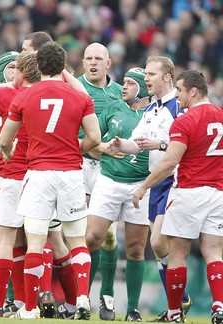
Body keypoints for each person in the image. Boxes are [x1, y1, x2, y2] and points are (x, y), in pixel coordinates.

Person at [0, 41, 101, 320]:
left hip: (39, 173)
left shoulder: (24, 97)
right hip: (70, 173)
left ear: (39, 66)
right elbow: (95, 139)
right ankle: (81, 299)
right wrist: (72, 148)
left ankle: (29, 309)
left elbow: (5, 138)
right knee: (77, 240)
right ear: (63, 66)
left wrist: (8, 152)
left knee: (35, 242)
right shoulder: (80, 97)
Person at [131, 70, 223, 324]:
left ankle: (173, 314)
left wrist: (143, 187)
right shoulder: (221, 116)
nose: (178, 96)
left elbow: (170, 161)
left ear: (193, 91)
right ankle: (219, 306)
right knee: (214, 252)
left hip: (189, 193)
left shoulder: (185, 120)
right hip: (217, 193)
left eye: (180, 91)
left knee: (178, 254)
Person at [107, 56, 191, 321]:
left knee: (159, 242)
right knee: (158, 247)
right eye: (145, 75)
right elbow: (137, 144)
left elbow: (185, 148)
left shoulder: (180, 108)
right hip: (156, 181)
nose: (146, 79)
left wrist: (161, 147)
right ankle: (178, 303)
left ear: (167, 77)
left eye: (151, 74)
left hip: (177, 180)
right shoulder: (150, 110)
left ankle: (179, 303)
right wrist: (121, 144)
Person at [85, 67, 150, 322]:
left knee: (135, 249)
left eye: (130, 83)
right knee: (91, 238)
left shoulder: (155, 115)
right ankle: (82, 300)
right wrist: (104, 149)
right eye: (123, 82)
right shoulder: (112, 108)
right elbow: (91, 141)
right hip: (108, 181)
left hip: (140, 185)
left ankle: (132, 309)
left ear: (143, 88)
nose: (123, 87)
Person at [78, 42, 122, 321]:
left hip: (109, 170)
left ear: (109, 63)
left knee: (108, 236)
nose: (93, 62)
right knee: (83, 236)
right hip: (80, 166)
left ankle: (106, 296)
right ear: (82, 63)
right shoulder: (74, 88)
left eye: (98, 58)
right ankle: (78, 297)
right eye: (88, 58)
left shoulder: (120, 92)